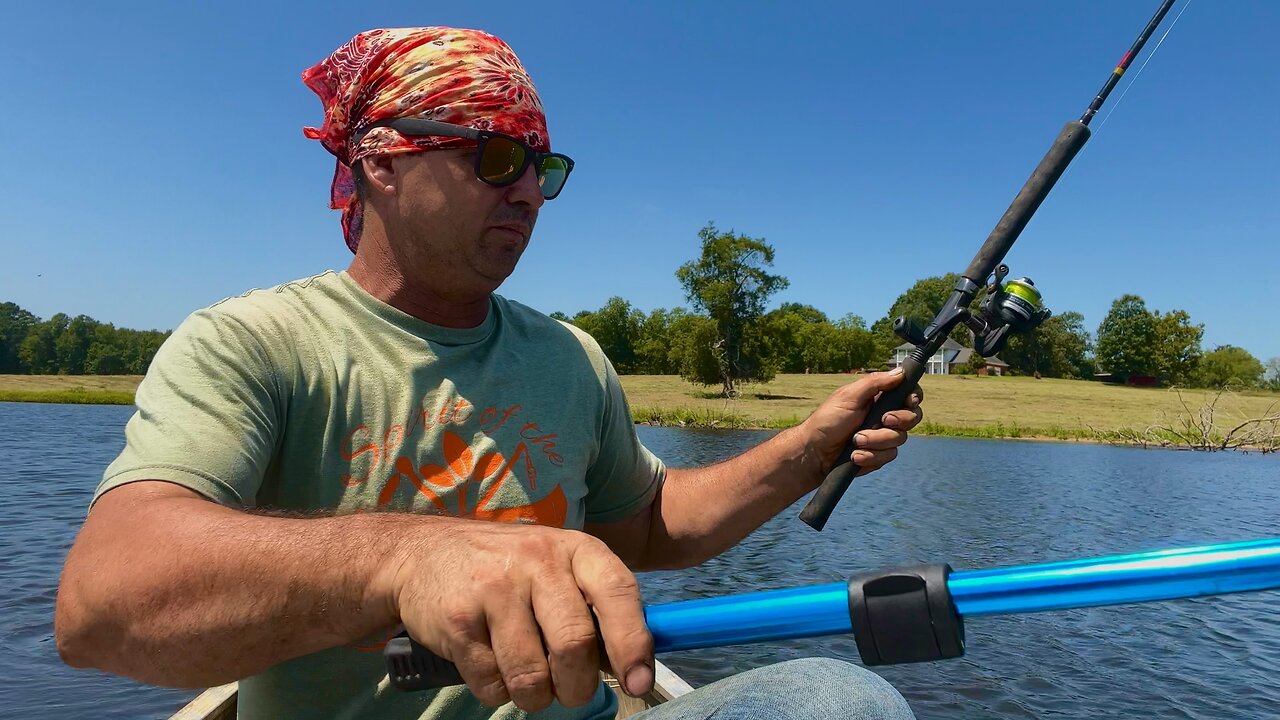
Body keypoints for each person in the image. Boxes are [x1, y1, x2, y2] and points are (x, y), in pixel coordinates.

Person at [55, 27, 923, 720]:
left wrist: (811, 448)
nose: (528, 194)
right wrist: (406, 563)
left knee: (840, 699)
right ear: (382, 159)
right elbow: (104, 605)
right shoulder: (254, 342)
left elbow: (648, 528)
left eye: (542, 169)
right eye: (496, 157)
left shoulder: (570, 356)